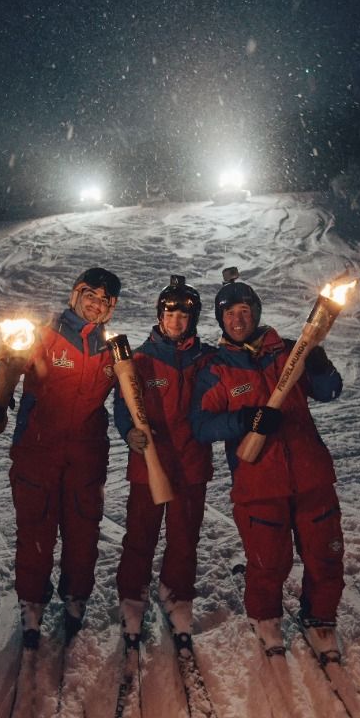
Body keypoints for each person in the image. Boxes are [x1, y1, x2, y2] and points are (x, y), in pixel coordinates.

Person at [190, 267, 345, 656]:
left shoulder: (291, 351)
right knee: (268, 560)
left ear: (255, 313)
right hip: (258, 480)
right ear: (221, 320)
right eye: (229, 314)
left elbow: (330, 391)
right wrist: (245, 420)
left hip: (311, 474)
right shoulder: (216, 369)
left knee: (325, 554)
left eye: (244, 311)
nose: (238, 320)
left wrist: (320, 364)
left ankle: (320, 617)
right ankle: (266, 617)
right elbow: (201, 426)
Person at [0, 268, 121, 647]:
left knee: (83, 532)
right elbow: (1, 373)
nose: (95, 305)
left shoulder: (112, 350)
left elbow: (129, 398)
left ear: (111, 308)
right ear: (76, 295)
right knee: (35, 531)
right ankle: (32, 603)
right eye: (89, 296)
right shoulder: (42, 335)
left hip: (86, 458)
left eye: (104, 301)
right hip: (37, 454)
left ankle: (76, 597)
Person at [113, 276, 215, 647]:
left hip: (191, 462)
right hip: (149, 463)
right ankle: (132, 597)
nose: (176, 321)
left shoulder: (206, 360)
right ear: (159, 316)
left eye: (183, 315)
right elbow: (122, 406)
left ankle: (177, 595)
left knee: (184, 536)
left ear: (193, 319)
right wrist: (129, 432)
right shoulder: (140, 360)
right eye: (169, 314)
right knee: (141, 534)